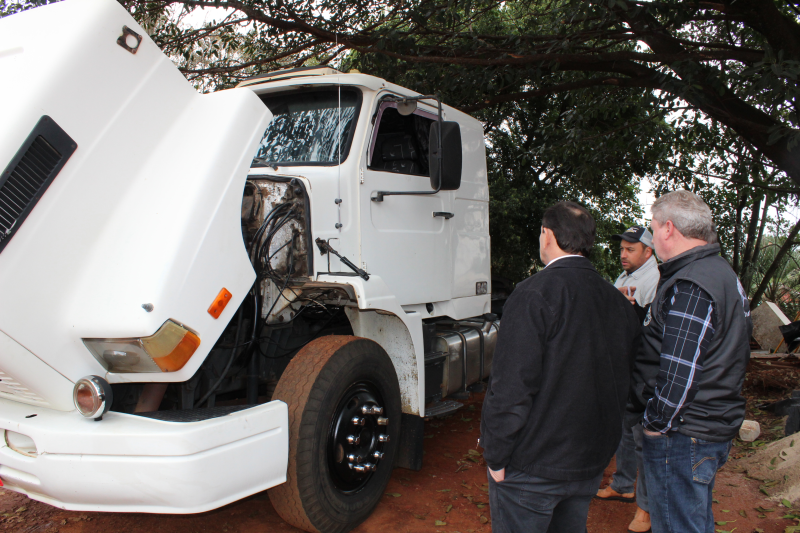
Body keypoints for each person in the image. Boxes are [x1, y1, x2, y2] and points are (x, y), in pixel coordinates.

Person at [481, 201, 641, 533]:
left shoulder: (533, 294)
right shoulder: (618, 303)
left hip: (534, 466)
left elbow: (511, 387)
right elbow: (627, 381)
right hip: (588, 464)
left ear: (548, 235)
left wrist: (496, 455)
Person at [629, 190, 752, 533]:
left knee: (678, 525)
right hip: (707, 424)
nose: (652, 236)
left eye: (652, 228)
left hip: (684, 432)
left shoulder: (692, 284)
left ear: (668, 229)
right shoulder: (719, 273)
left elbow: (680, 373)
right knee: (692, 522)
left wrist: (655, 423)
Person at [595, 225, 659, 533]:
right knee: (623, 428)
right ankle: (623, 485)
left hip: (644, 371)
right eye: (621, 248)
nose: (623, 254)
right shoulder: (625, 278)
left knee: (643, 438)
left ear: (649, 252)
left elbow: (653, 332)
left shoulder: (654, 280)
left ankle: (645, 511)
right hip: (623, 367)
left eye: (630, 249)